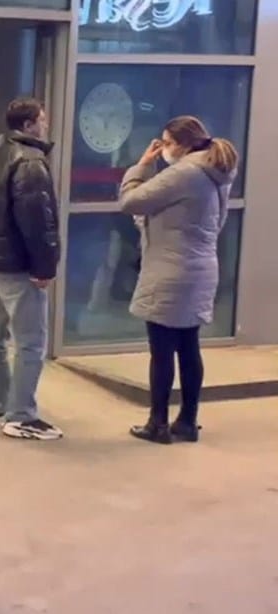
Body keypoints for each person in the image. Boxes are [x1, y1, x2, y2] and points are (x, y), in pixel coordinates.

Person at [119, 115, 237, 444]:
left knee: (161, 350)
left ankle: (157, 423)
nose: (163, 149)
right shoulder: (217, 172)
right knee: (188, 346)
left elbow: (129, 201)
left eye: (167, 143)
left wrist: (142, 166)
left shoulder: (184, 173)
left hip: (170, 273)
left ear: (184, 145)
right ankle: (187, 420)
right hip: (201, 270)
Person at [0, 97, 62, 441]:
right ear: (29, 124)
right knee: (31, 342)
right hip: (16, 265)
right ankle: (21, 416)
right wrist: (44, 266)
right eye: (42, 120)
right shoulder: (30, 162)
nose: (45, 125)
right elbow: (38, 219)